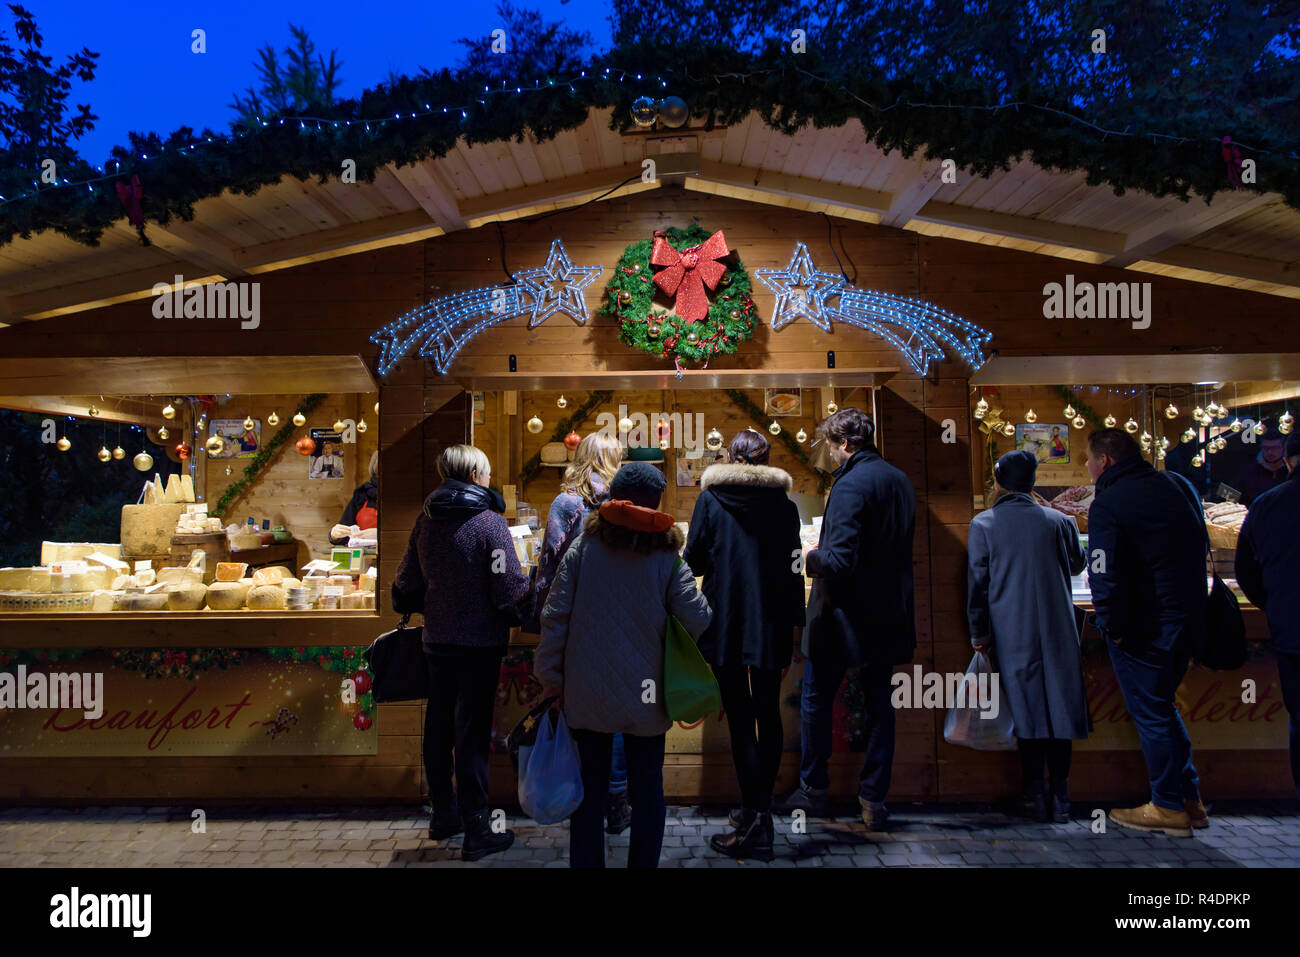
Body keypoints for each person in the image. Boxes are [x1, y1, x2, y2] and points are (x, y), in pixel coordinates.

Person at [536, 462, 711, 868]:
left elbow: (554, 615)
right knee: (648, 789)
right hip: (647, 695)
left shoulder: (584, 547)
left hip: (586, 693)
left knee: (589, 791)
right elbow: (698, 617)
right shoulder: (668, 555)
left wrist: (551, 680)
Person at [778, 408, 916, 830]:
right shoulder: (900, 480)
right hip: (889, 612)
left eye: (832, 447)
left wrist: (806, 557)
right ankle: (874, 799)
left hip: (843, 617)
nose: (831, 456)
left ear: (847, 444)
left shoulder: (851, 483)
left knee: (816, 698)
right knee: (879, 706)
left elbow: (837, 560)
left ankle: (813, 789)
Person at [392, 444, 529, 860]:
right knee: (471, 733)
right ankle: (477, 828)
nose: (487, 480)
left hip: (436, 640)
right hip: (480, 644)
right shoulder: (490, 523)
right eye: (486, 473)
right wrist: (529, 597)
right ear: (474, 476)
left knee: (437, 725)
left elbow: (403, 585)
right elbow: (507, 587)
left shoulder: (425, 521)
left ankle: (443, 816)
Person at [684, 429, 805, 860]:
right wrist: (796, 628)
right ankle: (759, 810)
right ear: (767, 457)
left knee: (739, 719)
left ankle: (755, 817)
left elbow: (693, 561)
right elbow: (795, 571)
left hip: (728, 622)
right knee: (768, 715)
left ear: (730, 457)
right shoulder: (785, 507)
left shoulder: (711, 500)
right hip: (770, 623)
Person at [1085, 428, 1208, 837]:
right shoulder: (1176, 486)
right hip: (1186, 619)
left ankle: (1167, 807)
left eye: (1089, 460)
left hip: (1143, 628)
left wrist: (1111, 625)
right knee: (1165, 708)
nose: (1087, 467)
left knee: (1152, 714)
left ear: (1104, 461)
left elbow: (1102, 569)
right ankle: (1189, 799)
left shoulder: (1109, 503)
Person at [968, 449, 1090, 823]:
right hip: (1059, 627)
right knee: (1060, 707)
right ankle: (1062, 797)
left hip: (1011, 626)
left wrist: (978, 632)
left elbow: (978, 584)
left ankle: (1035, 792)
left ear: (1000, 482)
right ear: (1033, 483)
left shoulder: (984, 524)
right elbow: (1076, 564)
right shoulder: (1059, 521)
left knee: (1027, 709)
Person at [528, 431, 632, 834]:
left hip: (574, 623)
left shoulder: (566, 502)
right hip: (619, 623)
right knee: (620, 709)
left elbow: (551, 564)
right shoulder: (620, 505)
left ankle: (583, 794)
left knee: (581, 708)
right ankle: (618, 797)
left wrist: (543, 616)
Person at [1235, 431, 1300, 802]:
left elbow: (1246, 568)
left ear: (1288, 460)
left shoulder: (1268, 504)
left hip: (1292, 626)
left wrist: (1271, 604)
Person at [330, 451, 378, 545]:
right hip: (368, 557)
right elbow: (343, 536)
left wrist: (379, 534)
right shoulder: (362, 495)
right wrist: (333, 535)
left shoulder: (409, 498)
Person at [1234, 428, 1289, 505]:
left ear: (1283, 448)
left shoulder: (1291, 471)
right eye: (1266, 448)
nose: (1270, 452)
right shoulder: (1248, 472)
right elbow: (1233, 499)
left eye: (1275, 448)